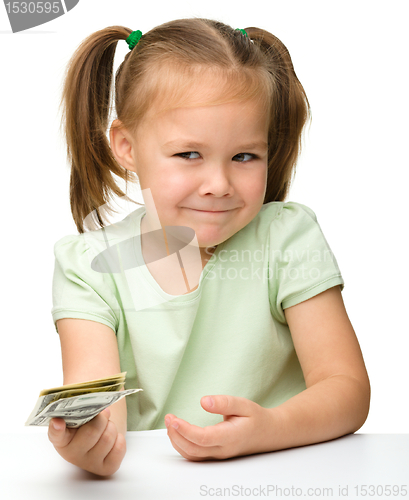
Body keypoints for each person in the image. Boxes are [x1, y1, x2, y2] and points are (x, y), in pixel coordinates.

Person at [47, 18, 370, 476]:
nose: (218, 185)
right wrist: (89, 444)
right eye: (188, 154)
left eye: (244, 156)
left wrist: (268, 429)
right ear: (126, 146)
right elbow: (99, 410)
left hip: (289, 473)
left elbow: (348, 388)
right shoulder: (87, 267)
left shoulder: (287, 237)